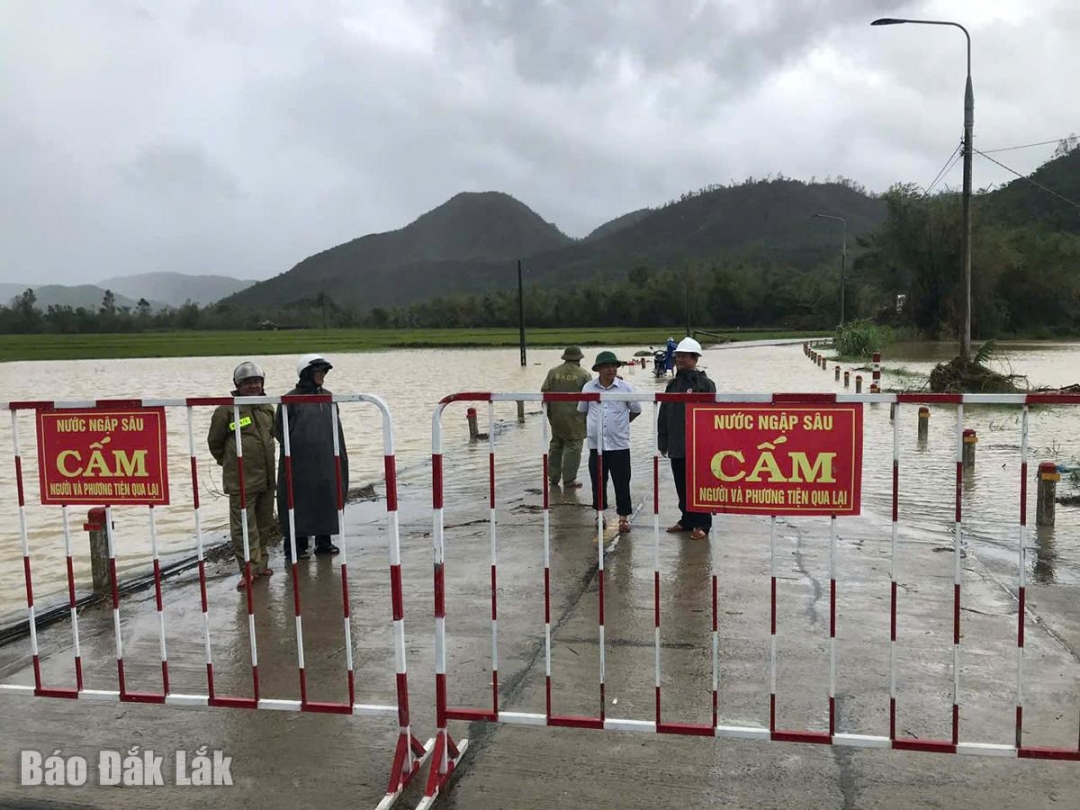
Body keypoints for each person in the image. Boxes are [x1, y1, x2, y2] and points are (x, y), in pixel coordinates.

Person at [207, 361, 278, 590]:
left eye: (257, 381)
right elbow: (215, 443)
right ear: (238, 385)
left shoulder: (267, 406)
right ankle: (247, 570)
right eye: (248, 383)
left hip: (266, 477)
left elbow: (274, 434)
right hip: (241, 480)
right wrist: (228, 462)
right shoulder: (226, 410)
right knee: (243, 529)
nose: (253, 386)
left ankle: (261, 564)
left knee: (264, 524)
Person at [275, 353, 349, 561]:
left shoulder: (328, 396)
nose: (321, 376)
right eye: (317, 372)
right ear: (306, 373)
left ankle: (323, 541)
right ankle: (295, 545)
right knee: (296, 499)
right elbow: (280, 431)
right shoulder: (289, 400)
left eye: (323, 372)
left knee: (326, 496)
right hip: (299, 460)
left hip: (326, 457)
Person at [657, 337, 716, 541]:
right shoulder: (673, 384)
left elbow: (712, 416)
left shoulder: (705, 384)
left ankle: (702, 523)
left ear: (695, 358)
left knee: (698, 485)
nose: (680, 360)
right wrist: (662, 440)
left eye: (684, 356)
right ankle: (686, 519)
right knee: (681, 484)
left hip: (697, 445)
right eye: (677, 356)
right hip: (676, 443)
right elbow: (663, 412)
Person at [578, 351, 641, 534]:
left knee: (622, 481)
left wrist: (620, 424)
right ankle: (599, 515)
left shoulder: (626, 388)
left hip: (619, 444)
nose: (611, 369)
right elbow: (583, 410)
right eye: (606, 366)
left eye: (614, 366)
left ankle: (623, 518)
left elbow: (636, 410)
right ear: (598, 369)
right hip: (596, 444)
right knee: (598, 481)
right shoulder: (588, 388)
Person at [540, 346, 592, 488]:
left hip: (556, 415)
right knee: (573, 446)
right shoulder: (584, 374)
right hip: (576, 416)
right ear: (580, 358)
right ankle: (569, 480)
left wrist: (549, 412)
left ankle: (553, 478)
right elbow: (590, 395)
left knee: (556, 444)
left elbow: (544, 392)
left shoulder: (553, 372)